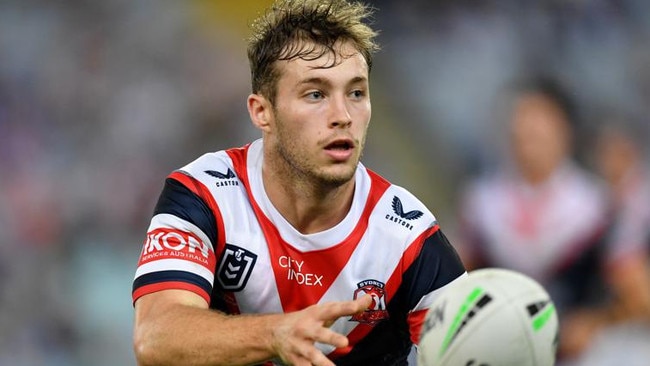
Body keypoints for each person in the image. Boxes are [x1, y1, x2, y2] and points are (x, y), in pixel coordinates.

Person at [131, 1, 466, 365]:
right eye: (315, 94)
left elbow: (470, 350)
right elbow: (155, 337)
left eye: (356, 93)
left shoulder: (408, 238)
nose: (342, 116)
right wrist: (274, 334)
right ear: (263, 112)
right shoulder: (205, 196)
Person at [457, 78, 650, 363]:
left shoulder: (597, 206)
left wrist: (598, 321)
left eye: (539, 117)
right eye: (520, 117)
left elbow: (638, 296)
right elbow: (453, 282)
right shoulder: (482, 204)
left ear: (565, 128)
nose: (527, 128)